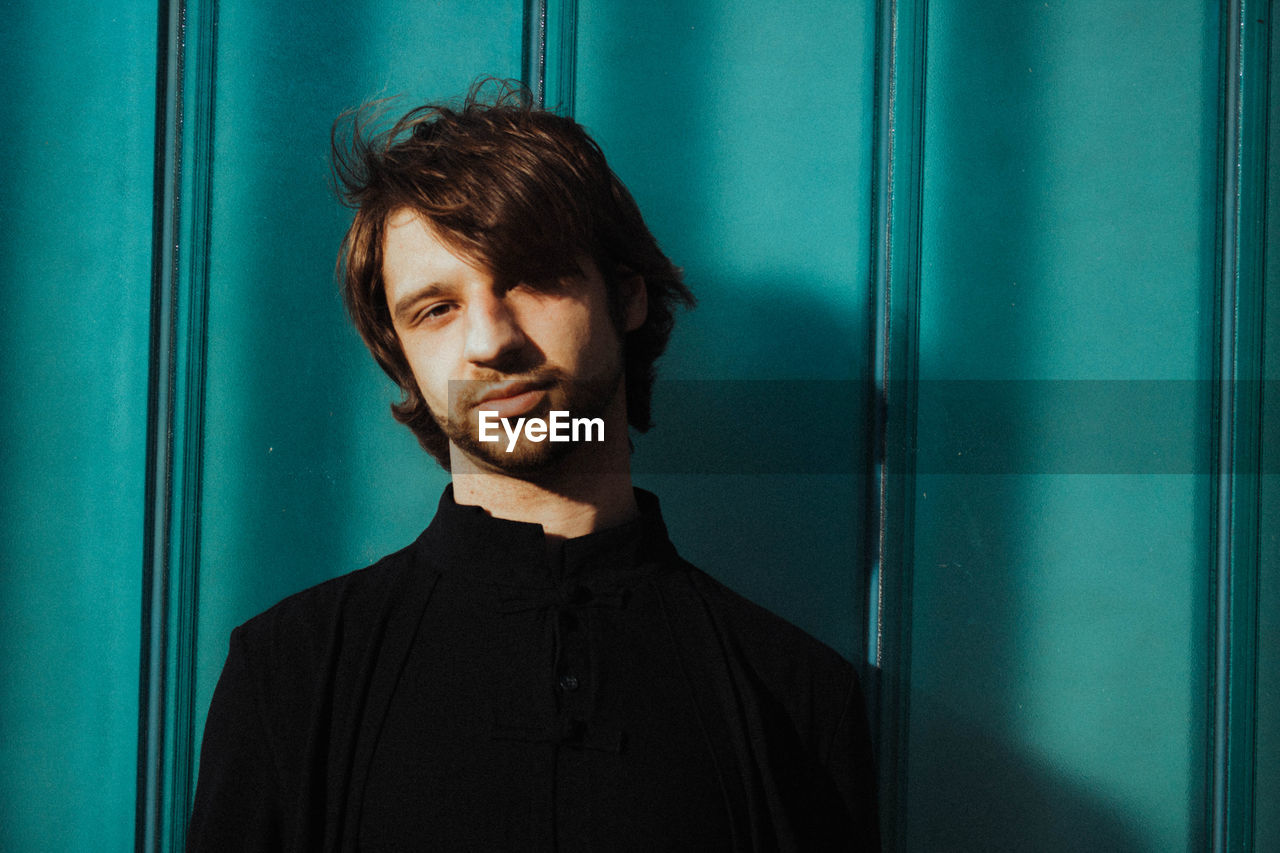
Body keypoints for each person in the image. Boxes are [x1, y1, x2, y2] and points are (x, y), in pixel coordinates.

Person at [187, 81, 878, 852]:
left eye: (528, 276)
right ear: (404, 361)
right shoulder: (290, 674)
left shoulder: (798, 696)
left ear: (627, 296)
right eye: (436, 308)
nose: (491, 339)